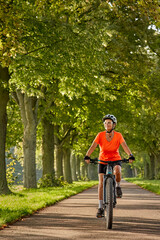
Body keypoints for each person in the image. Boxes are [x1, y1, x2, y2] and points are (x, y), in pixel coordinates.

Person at [84, 114, 135, 218]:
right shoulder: (100, 135)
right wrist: (87, 156)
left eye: (109, 123)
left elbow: (124, 145)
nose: (107, 124)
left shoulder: (118, 135)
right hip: (102, 159)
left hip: (115, 158)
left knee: (118, 170)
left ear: (114, 124)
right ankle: (100, 207)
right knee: (101, 183)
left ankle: (118, 186)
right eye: (105, 123)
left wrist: (130, 155)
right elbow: (93, 146)